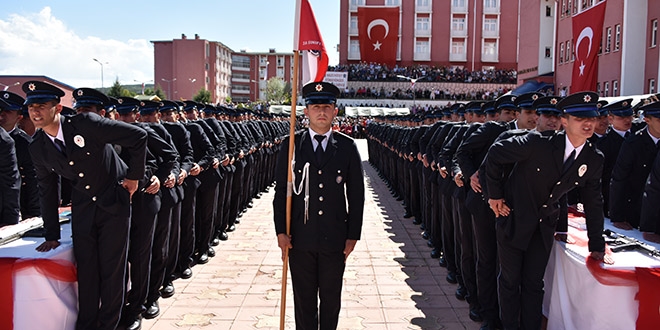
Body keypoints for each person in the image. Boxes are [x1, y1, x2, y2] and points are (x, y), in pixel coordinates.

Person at [484, 91, 613, 330]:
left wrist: (597, 243)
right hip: (513, 217)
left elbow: (594, 201)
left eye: (592, 119)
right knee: (511, 281)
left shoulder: (593, 158)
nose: (588, 124)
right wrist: (494, 195)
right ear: (564, 121)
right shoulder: (537, 143)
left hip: (543, 225)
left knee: (534, 283)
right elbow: (495, 154)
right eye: (579, 119)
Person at [27, 81, 147, 330]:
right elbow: (46, 189)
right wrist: (51, 233)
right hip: (83, 207)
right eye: (31, 107)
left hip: (113, 200)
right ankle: (87, 324)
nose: (35, 112)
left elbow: (138, 136)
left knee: (112, 270)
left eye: (41, 106)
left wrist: (133, 177)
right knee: (87, 271)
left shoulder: (85, 124)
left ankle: (110, 325)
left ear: (57, 108)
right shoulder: (37, 146)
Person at [273, 81, 365, 330]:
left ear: (336, 111)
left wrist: (352, 235)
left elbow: (356, 194)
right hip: (299, 238)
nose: (321, 111)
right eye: (315, 106)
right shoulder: (291, 145)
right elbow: (281, 190)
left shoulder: (346, 146)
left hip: (335, 240)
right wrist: (281, 231)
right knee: (303, 302)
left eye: (327, 106)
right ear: (306, 111)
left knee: (330, 300)